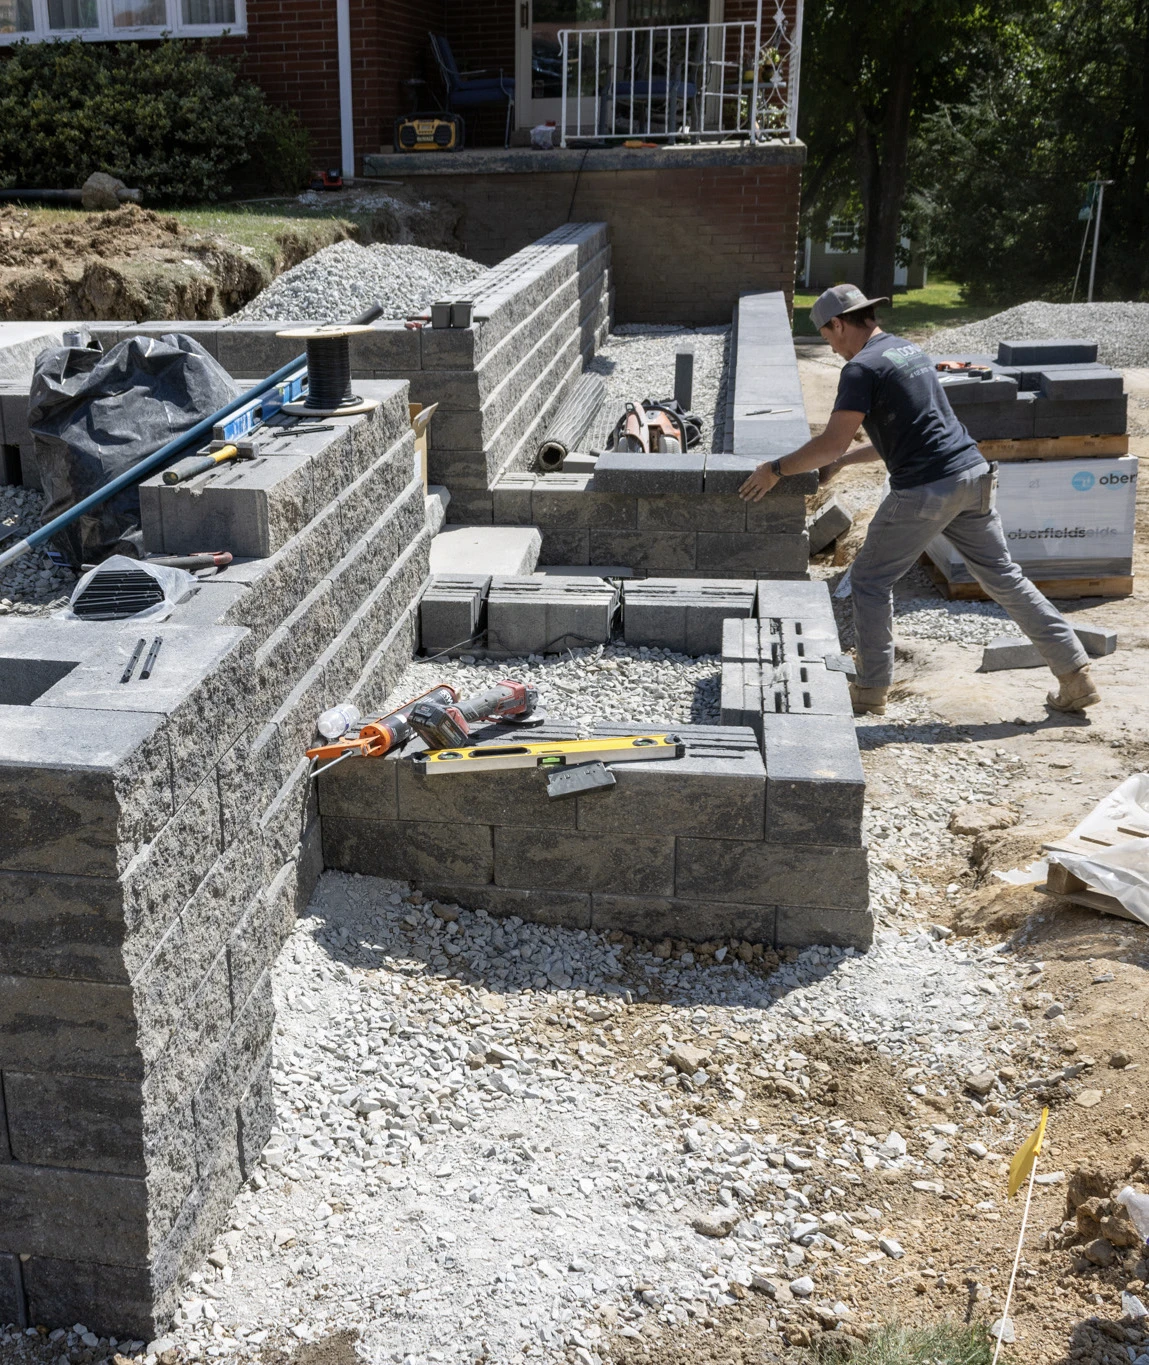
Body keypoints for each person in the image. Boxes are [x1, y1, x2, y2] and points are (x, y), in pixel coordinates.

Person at [737, 283, 1100, 717]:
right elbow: (911, 432)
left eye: (827, 336)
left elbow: (831, 442)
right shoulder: (906, 351)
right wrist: (846, 463)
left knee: (870, 580)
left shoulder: (859, 370)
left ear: (838, 324)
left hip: (927, 488)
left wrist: (774, 470)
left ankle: (871, 689)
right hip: (972, 474)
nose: (831, 348)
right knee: (1005, 577)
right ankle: (1075, 675)